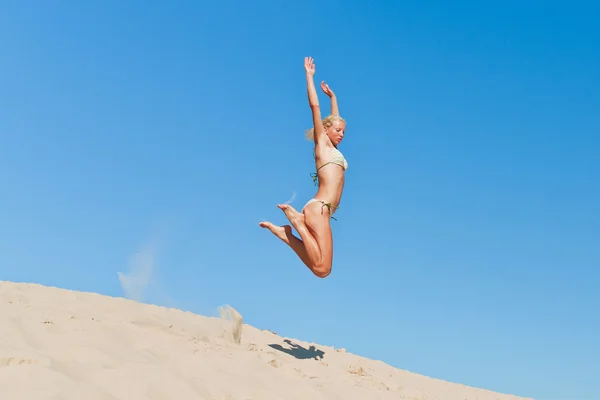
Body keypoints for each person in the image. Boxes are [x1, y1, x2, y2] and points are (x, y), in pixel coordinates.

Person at [259, 56, 348, 278]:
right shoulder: (322, 145)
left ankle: (286, 234)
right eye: (338, 130)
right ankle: (297, 222)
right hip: (318, 209)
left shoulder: (334, 151)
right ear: (326, 129)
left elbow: (336, 119)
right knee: (323, 269)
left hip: (322, 212)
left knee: (321, 269)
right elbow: (315, 107)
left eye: (344, 132)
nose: (342, 134)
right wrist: (309, 76)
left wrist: (334, 97)